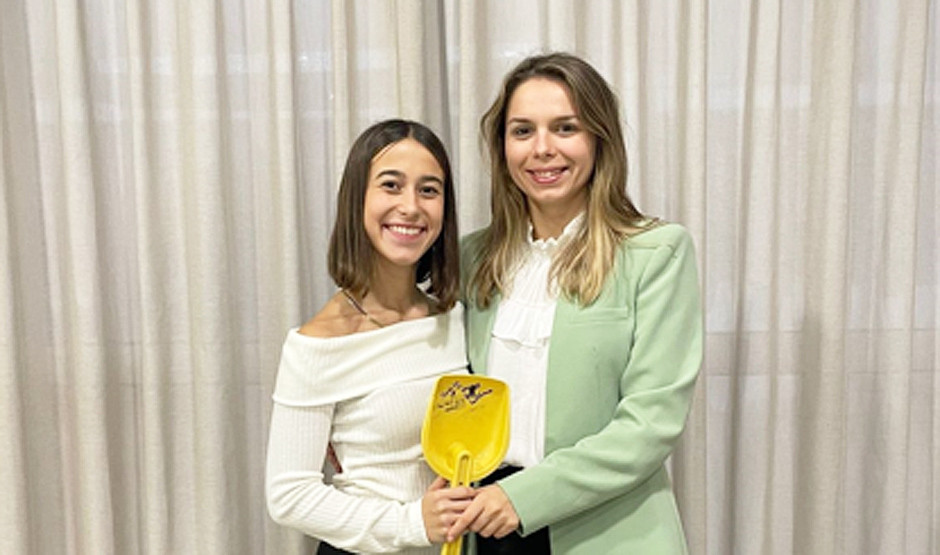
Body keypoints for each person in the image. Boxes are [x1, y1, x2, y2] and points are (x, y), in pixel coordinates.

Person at [454, 52, 704, 554]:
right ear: (502, 147)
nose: (542, 149)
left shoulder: (656, 252)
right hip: (486, 528)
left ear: (599, 139)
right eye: (522, 131)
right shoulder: (472, 258)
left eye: (565, 128)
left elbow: (650, 425)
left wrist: (523, 497)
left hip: (609, 533)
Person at [265, 119, 475, 555]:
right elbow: (289, 496)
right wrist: (413, 523)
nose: (411, 207)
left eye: (429, 190)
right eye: (391, 186)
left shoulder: (457, 319)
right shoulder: (319, 343)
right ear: (357, 199)